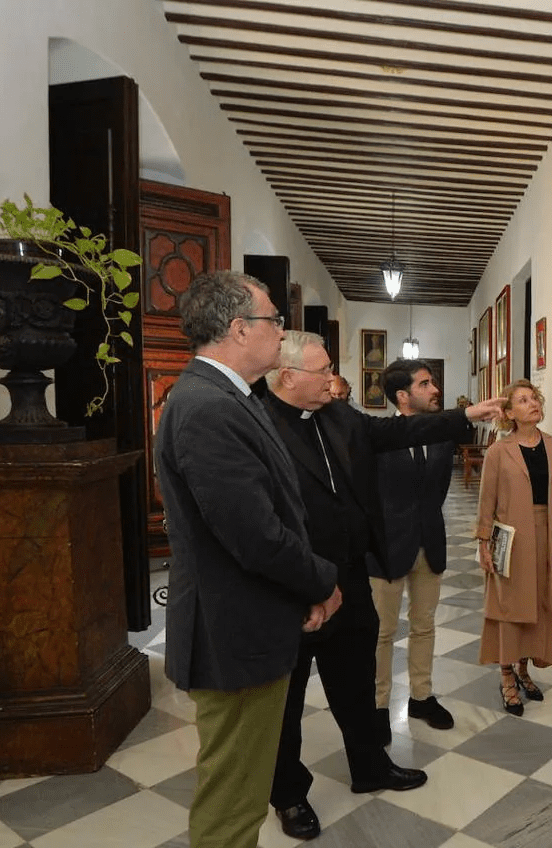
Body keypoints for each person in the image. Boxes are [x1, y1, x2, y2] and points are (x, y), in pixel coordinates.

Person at [262, 332, 503, 839]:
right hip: (296, 588)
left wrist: (466, 417)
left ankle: (370, 766)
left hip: (350, 574)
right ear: (287, 377)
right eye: (323, 371)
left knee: (353, 683)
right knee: (286, 701)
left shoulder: (338, 415)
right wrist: (306, 583)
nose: (334, 380)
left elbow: (391, 435)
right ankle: (288, 794)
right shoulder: (258, 423)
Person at [156, 271, 342, 848]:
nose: (281, 329)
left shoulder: (229, 398)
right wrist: (322, 582)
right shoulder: (207, 407)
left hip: (247, 622)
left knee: (241, 786)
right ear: (239, 329)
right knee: (232, 803)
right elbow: (256, 536)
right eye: (273, 319)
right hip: (231, 632)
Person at [369, 359, 458, 745]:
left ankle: (421, 696)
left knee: (424, 625)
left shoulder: (441, 436)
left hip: (429, 541)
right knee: (382, 632)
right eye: (425, 383)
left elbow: (437, 492)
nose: (435, 388)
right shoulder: (375, 437)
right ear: (403, 396)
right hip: (386, 547)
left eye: (433, 381)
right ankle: (376, 707)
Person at [475, 380, 552, 716]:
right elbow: (486, 501)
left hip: (547, 535)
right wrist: (483, 543)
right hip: (511, 539)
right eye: (523, 400)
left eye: (534, 398)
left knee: (540, 604)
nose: (532, 403)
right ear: (509, 413)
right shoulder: (498, 452)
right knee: (510, 606)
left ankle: (525, 670)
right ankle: (506, 675)